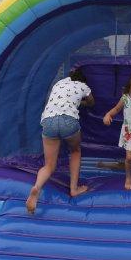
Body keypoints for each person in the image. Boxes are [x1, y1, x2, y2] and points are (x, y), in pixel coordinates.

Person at [25, 69, 95, 214]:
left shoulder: (59, 83)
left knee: (49, 165)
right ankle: (74, 189)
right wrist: (83, 101)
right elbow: (91, 102)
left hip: (48, 121)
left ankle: (37, 187)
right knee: (75, 151)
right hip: (68, 121)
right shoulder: (83, 86)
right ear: (82, 80)